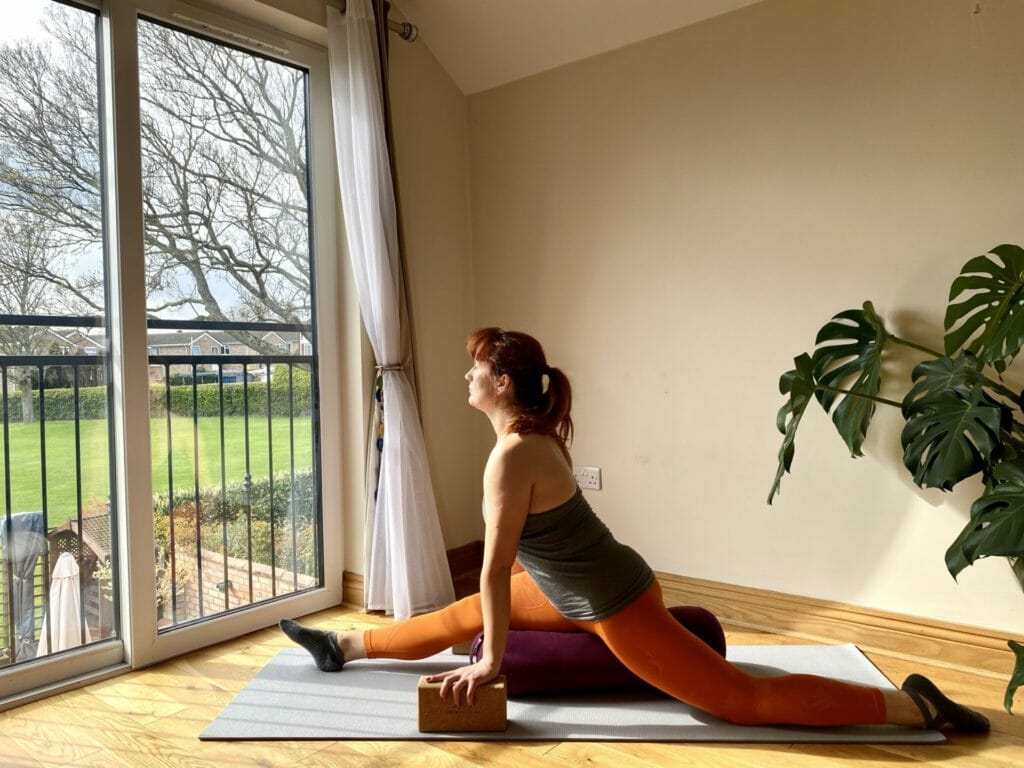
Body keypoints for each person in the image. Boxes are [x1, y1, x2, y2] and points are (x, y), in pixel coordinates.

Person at [281, 327, 989, 732]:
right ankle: (343, 646)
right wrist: (495, 625)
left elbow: (495, 569)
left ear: (501, 383)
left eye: (476, 368)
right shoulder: (531, 437)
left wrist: (491, 662)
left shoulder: (513, 455)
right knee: (463, 612)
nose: (466, 376)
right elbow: (514, 568)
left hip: (614, 604)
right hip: (575, 588)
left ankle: (913, 707)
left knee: (740, 700)